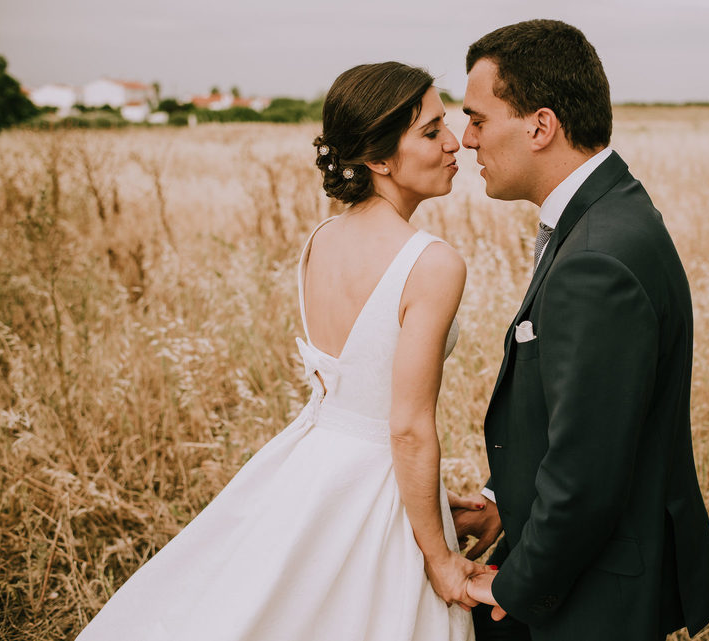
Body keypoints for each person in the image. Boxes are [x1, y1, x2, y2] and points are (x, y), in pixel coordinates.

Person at [75, 61, 485, 641]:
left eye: (447, 123)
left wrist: (428, 498)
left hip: (314, 467)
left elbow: (355, 391)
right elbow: (408, 427)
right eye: (430, 130)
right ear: (377, 158)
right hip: (374, 480)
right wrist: (440, 558)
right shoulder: (433, 262)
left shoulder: (321, 240)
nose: (454, 143)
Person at [448, 20, 709, 641]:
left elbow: (586, 472)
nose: (466, 141)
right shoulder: (610, 210)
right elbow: (589, 416)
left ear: (540, 126)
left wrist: (515, 583)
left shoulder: (595, 259)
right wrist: (502, 502)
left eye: (479, 119)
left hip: (595, 594)